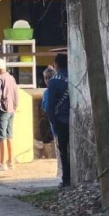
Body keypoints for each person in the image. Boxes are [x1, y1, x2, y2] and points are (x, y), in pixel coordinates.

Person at [45, 54, 71, 188]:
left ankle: (67, 178)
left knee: (63, 150)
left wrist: (52, 122)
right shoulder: (73, 76)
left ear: (56, 64)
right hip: (73, 119)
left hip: (61, 120)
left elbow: (50, 105)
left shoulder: (54, 81)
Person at [0, 58, 19, 171]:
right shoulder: (11, 78)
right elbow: (16, 94)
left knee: (1, 137)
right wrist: (15, 106)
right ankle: (10, 161)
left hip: (1, 109)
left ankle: (2, 163)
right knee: (9, 135)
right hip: (11, 108)